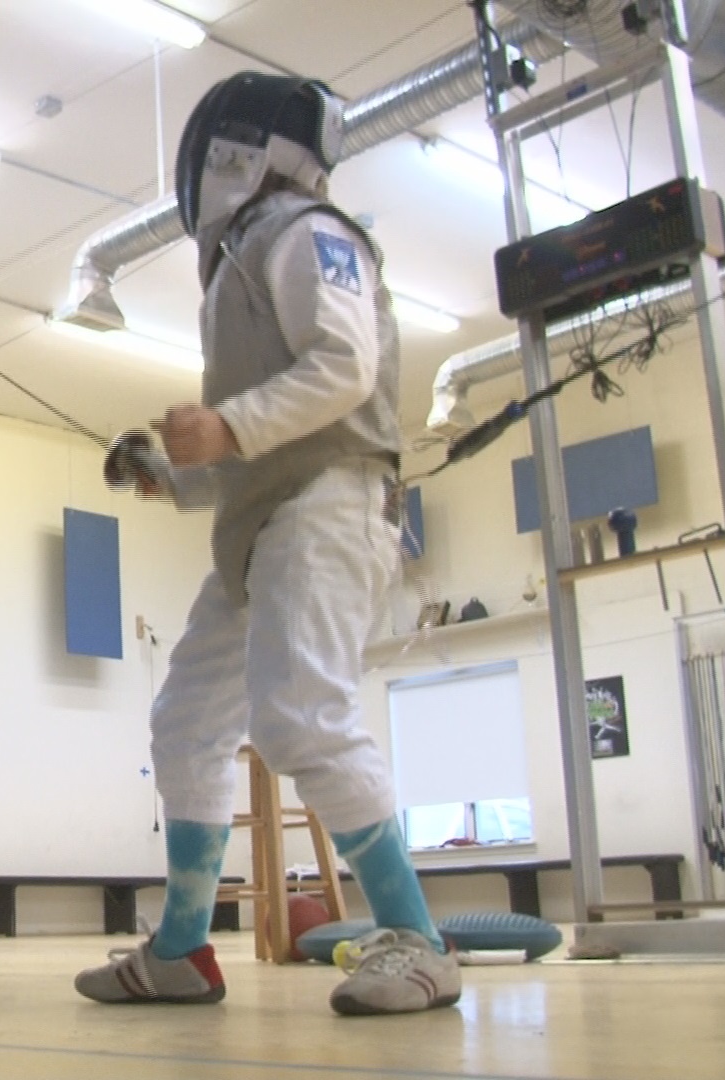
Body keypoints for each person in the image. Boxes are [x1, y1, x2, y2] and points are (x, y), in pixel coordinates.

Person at [80, 73, 460, 1016]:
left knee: (302, 717)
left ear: (240, 150)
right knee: (186, 725)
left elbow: (343, 370)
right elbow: (256, 442)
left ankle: (419, 942)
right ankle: (181, 952)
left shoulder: (308, 232)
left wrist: (225, 426)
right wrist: (175, 473)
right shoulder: (245, 258)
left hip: (331, 504)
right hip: (262, 524)